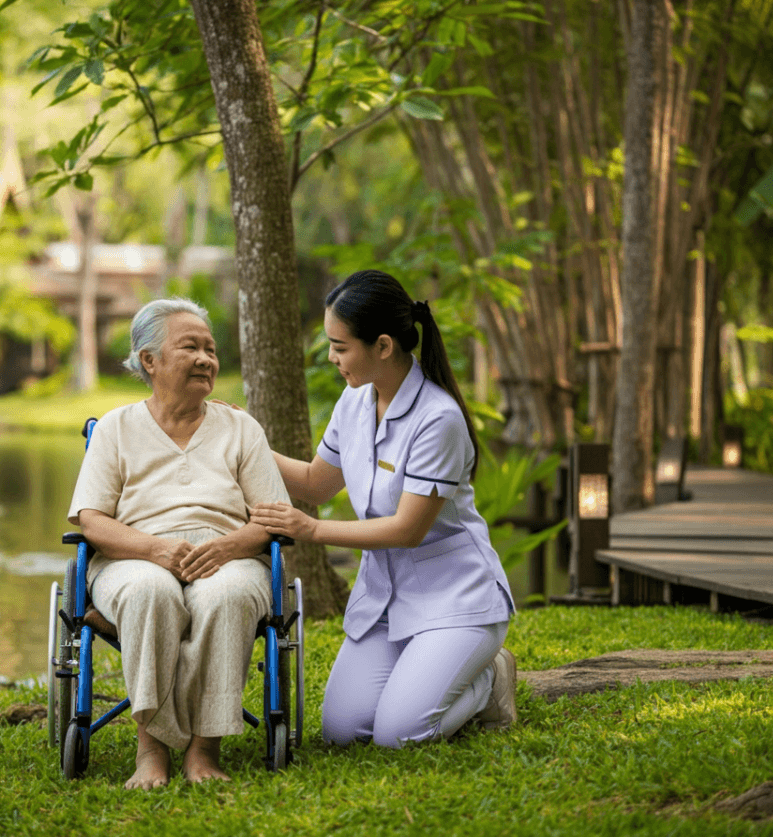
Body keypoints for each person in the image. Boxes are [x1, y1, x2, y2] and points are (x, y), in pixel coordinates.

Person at [250, 269, 517, 748]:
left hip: (456, 601)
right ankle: (430, 677)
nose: (332, 357)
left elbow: (408, 529)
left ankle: (488, 682)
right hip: (386, 603)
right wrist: (243, 443)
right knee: (343, 731)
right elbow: (316, 483)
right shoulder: (353, 402)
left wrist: (311, 531)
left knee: (399, 736)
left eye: (340, 346)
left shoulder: (438, 419)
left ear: (384, 346)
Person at [67, 298, 290, 789]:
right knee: (151, 592)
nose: (206, 359)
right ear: (149, 360)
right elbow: (92, 521)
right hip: (134, 556)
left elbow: (273, 519)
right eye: (190, 347)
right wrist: (153, 549)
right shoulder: (115, 428)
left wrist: (229, 547)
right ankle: (151, 750)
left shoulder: (242, 428)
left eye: (210, 349)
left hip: (228, 553)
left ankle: (203, 750)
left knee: (225, 596)